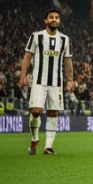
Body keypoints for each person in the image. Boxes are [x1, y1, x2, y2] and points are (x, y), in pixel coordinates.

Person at [20, 9, 74, 155]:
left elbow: (68, 60)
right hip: (39, 81)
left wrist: (70, 79)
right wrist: (23, 76)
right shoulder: (36, 36)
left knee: (53, 112)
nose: (54, 19)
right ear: (46, 20)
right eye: (51, 17)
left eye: (57, 17)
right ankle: (34, 139)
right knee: (36, 111)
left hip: (56, 83)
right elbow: (27, 56)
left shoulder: (64, 39)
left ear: (59, 21)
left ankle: (48, 146)